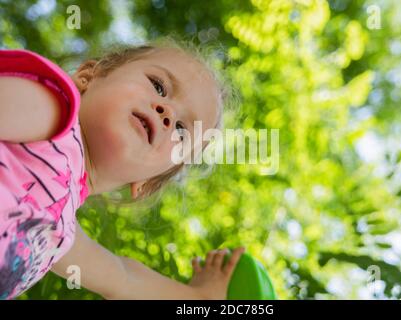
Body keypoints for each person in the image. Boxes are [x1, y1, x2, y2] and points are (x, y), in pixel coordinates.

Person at [0, 38, 245, 300]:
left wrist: (200, 298)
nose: (168, 113)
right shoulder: (53, 109)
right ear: (88, 76)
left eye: (181, 131)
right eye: (158, 86)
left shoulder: (60, 232)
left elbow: (124, 279)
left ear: (147, 183)